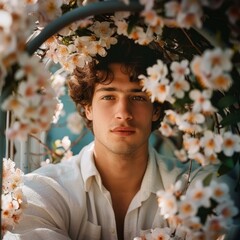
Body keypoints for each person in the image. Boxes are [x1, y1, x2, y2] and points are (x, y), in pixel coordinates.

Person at [3, 36, 239, 240]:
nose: (123, 113)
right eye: (108, 97)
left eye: (137, 97)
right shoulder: (44, 191)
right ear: (88, 108)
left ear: (156, 109)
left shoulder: (196, 188)